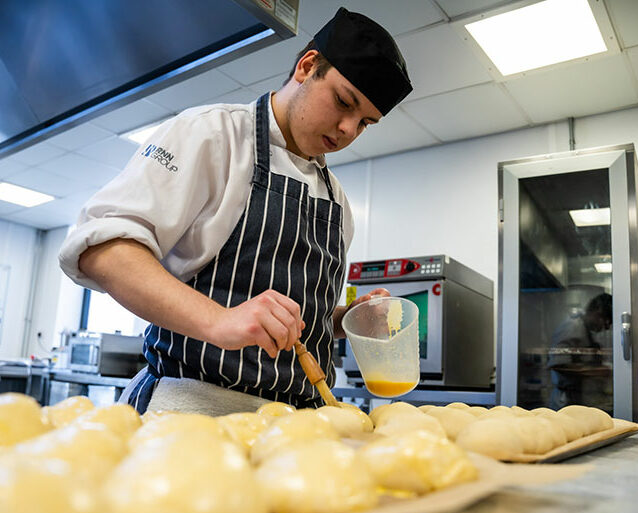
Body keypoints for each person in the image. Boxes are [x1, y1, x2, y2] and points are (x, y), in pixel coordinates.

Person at [58, 7, 413, 416]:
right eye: (343, 102)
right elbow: (105, 249)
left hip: (298, 427)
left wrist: (340, 320)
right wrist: (218, 321)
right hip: (190, 415)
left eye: (365, 122)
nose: (349, 129)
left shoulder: (337, 200)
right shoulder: (210, 136)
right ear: (307, 66)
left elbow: (288, 326)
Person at [548, 292, 613, 412]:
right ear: (596, 312)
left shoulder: (584, 330)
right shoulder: (572, 328)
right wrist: (596, 372)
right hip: (566, 401)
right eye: (606, 321)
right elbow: (558, 365)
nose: (606, 327)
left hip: (578, 398)